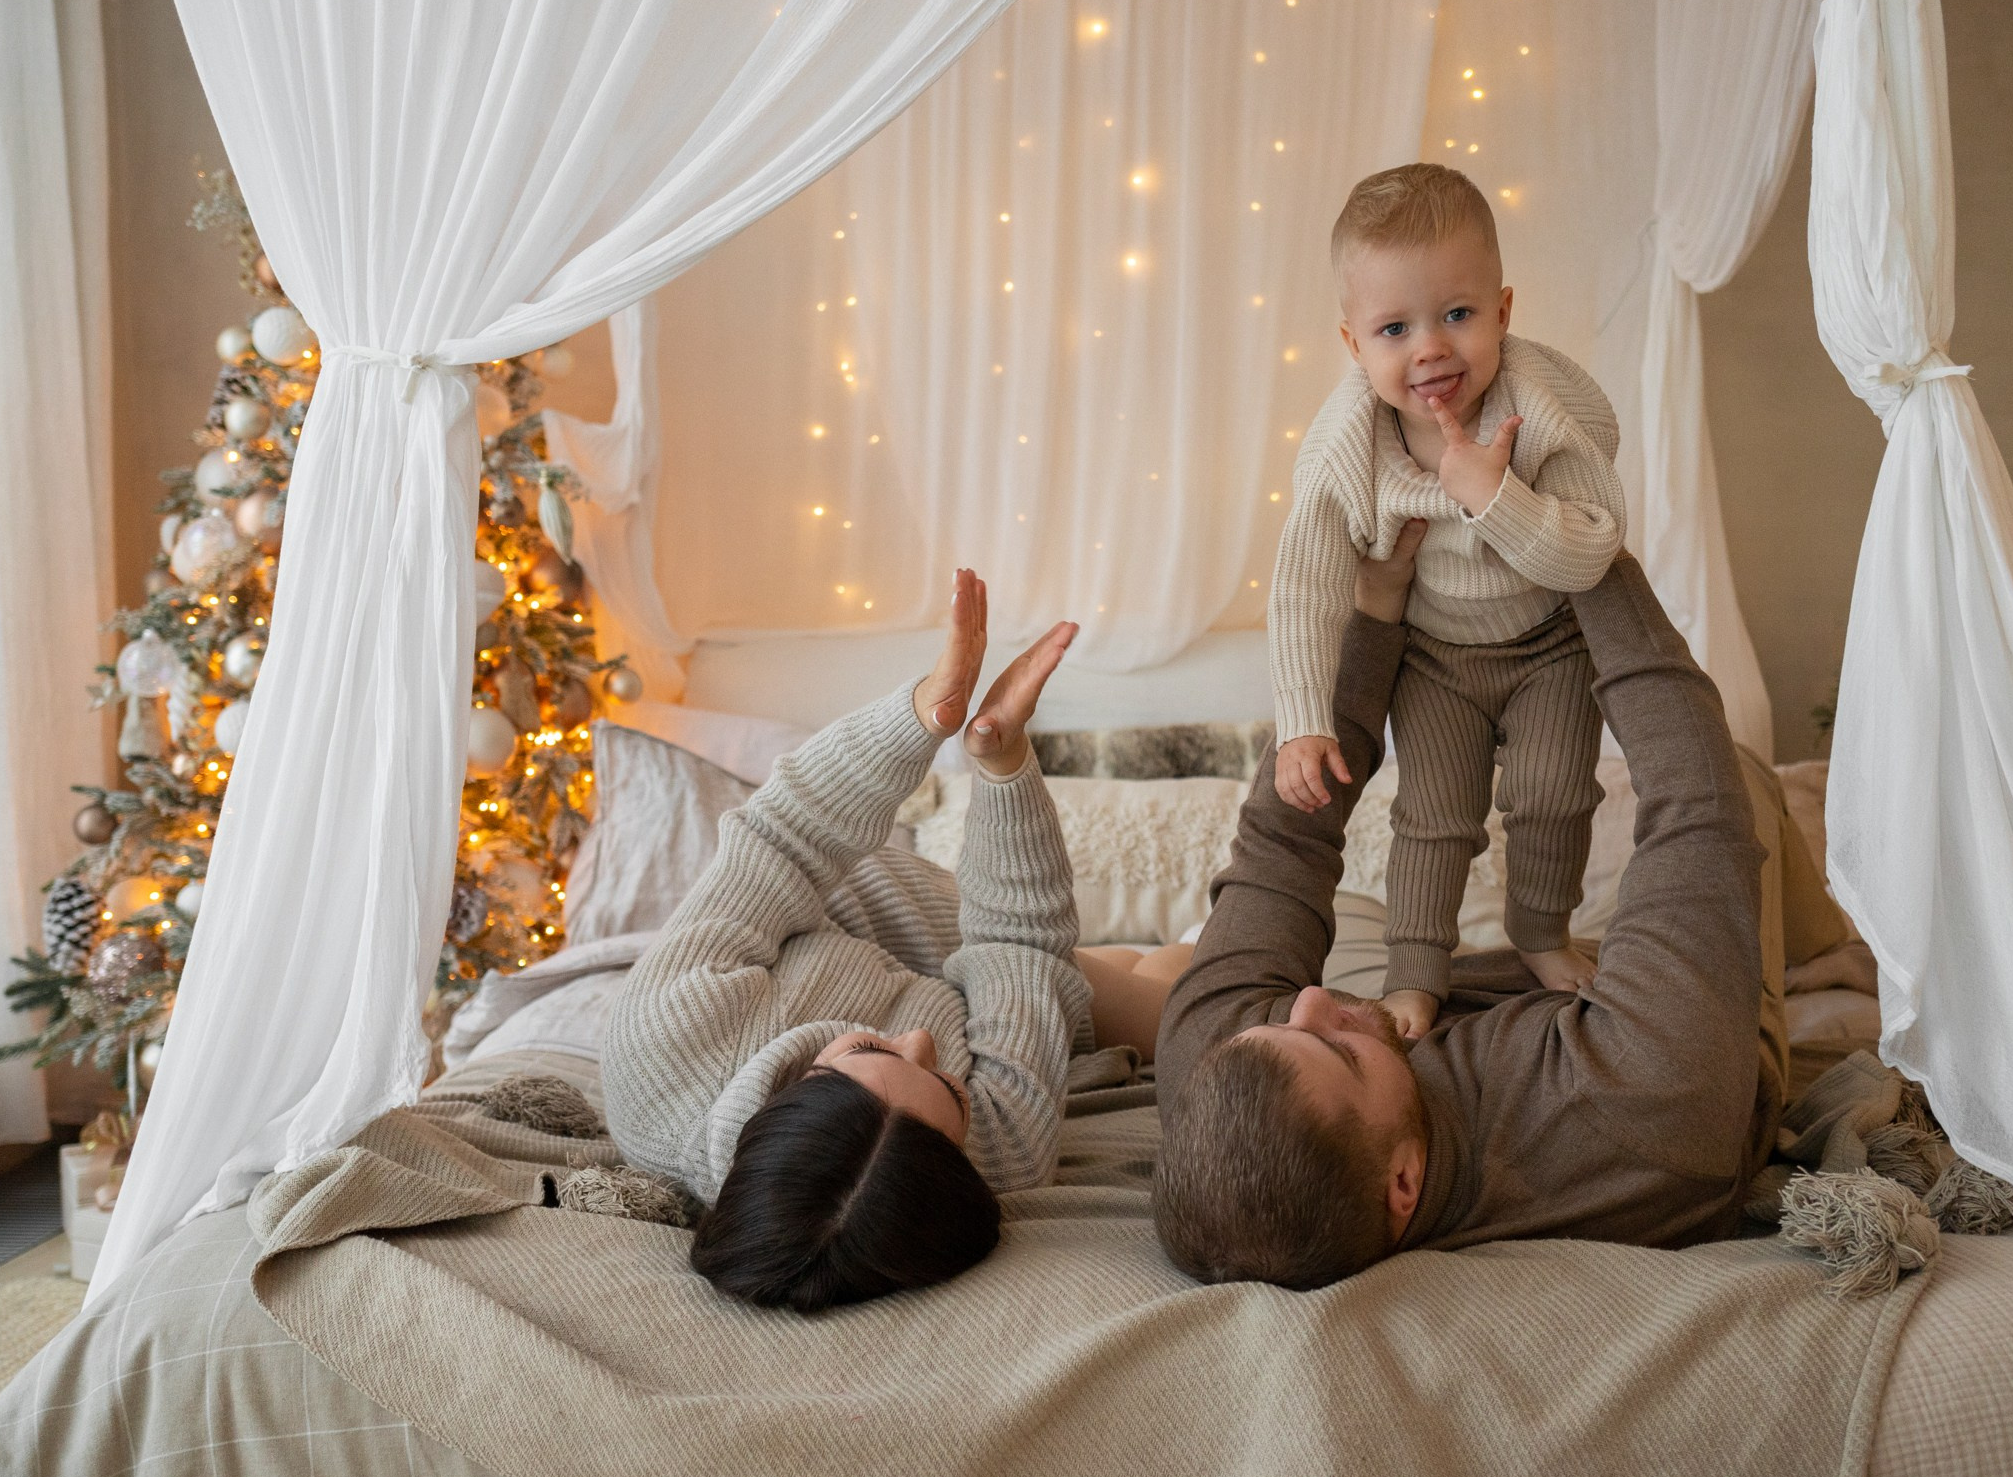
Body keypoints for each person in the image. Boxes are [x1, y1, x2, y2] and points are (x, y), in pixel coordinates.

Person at [1153, 536, 1787, 1291]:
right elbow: (1698, 808)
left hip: (1477, 990)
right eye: (1337, 1049)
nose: (1311, 1000)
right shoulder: (1637, 1098)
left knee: (1340, 930)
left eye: (1284, 1024)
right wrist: (1577, 548)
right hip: (1673, 1033)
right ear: (1404, 1183)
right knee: (1747, 783)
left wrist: (1374, 615)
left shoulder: (1217, 1063)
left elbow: (1284, 841)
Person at [602, 570, 1101, 1312]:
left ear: (797, 1088)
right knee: (1171, 992)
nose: (922, 1043)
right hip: (990, 978)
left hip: (883, 907)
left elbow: (785, 837)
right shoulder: (999, 1160)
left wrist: (925, 714)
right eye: (953, 1093)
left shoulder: (665, 1039)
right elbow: (1021, 948)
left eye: (871, 1050)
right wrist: (1002, 766)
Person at [1269, 163, 1625, 1033]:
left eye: (1457, 315)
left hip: (1549, 640)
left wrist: (1496, 497)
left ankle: (1540, 930)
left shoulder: (1542, 406)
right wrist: (1302, 718)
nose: (1430, 349)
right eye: (1395, 328)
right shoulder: (1347, 444)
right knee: (1434, 816)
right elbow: (1306, 584)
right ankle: (1415, 972)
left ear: (1503, 311)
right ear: (1355, 345)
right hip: (1434, 658)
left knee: (1554, 793)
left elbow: (1593, 547)